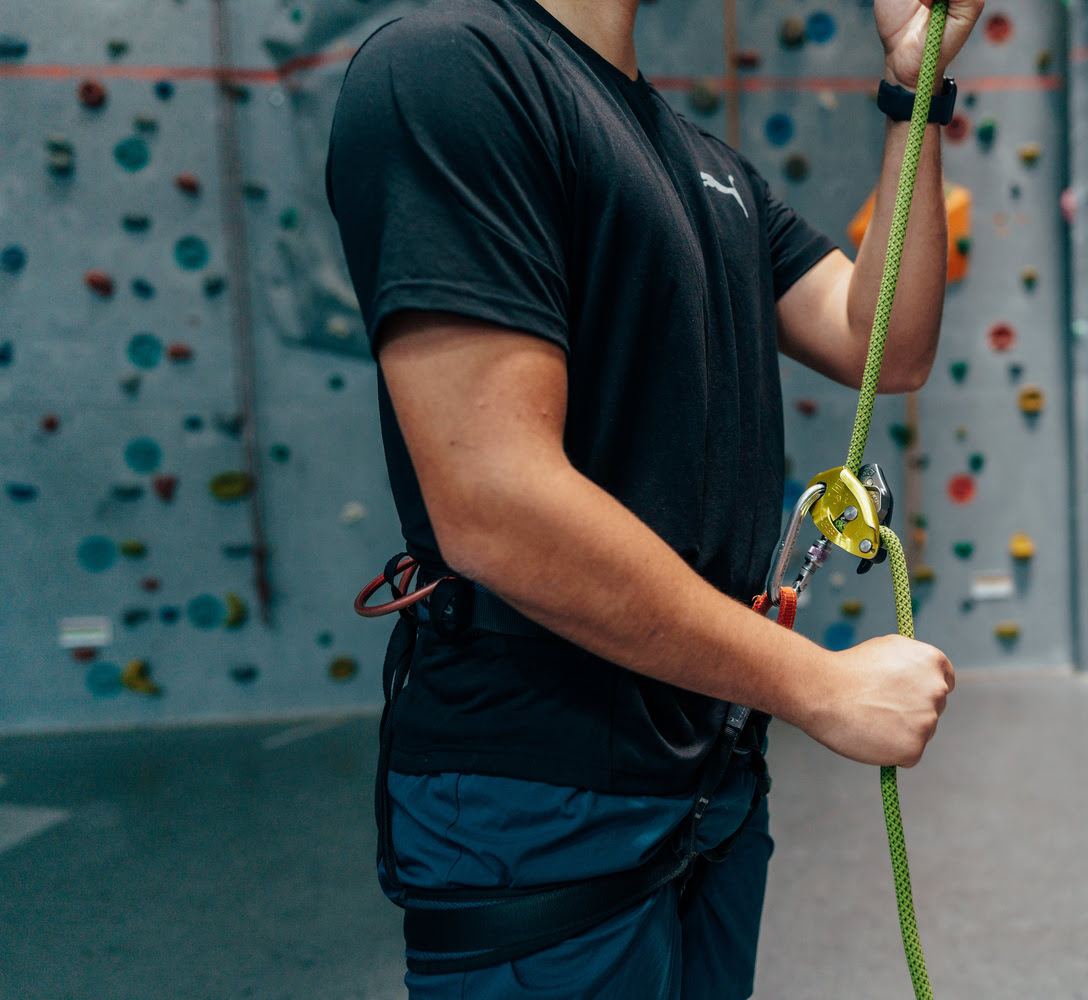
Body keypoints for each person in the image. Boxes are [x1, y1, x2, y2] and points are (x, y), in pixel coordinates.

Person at [326, 0, 981, 995]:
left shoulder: (699, 160)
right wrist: (817, 685)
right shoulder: (453, 70)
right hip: (542, 789)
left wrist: (914, 88)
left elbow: (883, 341)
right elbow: (495, 502)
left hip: (705, 770)